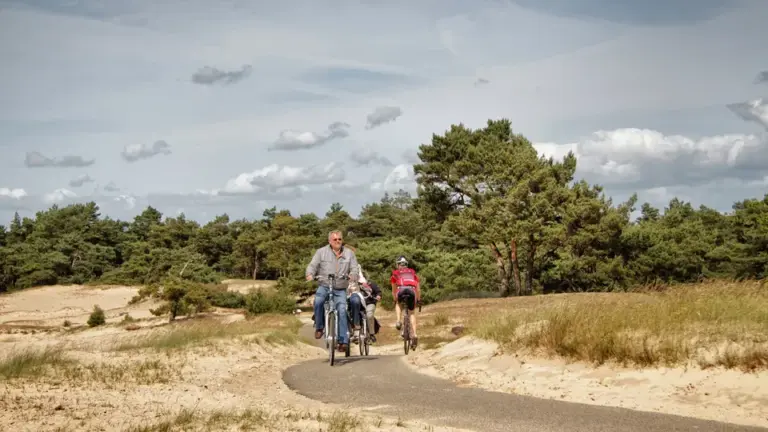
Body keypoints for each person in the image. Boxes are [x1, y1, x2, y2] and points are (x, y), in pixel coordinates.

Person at [306, 230, 360, 353]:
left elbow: (354, 268)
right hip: (324, 285)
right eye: (335, 239)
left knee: (341, 310)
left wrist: (353, 275)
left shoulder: (349, 253)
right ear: (330, 241)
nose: (337, 241)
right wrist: (310, 274)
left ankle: (343, 342)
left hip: (340, 288)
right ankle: (319, 327)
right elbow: (312, 265)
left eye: (339, 239)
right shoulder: (321, 252)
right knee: (318, 301)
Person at [390, 255, 421, 348]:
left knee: (398, 303)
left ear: (398, 265)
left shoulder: (395, 273)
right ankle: (415, 334)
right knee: (412, 313)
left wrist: (395, 299)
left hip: (401, 290)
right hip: (412, 291)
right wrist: (419, 299)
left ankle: (399, 321)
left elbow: (394, 290)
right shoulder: (413, 273)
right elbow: (418, 289)